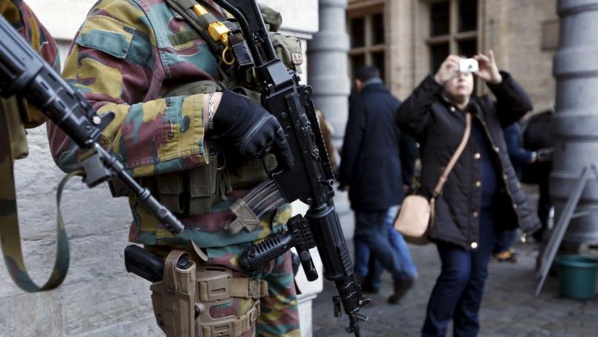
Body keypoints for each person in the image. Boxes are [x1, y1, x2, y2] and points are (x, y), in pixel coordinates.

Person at [47, 0, 300, 336]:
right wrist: (210, 112)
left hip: (274, 246)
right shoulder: (130, 12)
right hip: (208, 267)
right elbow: (73, 138)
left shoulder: (237, 10)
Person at [396, 51, 540, 336]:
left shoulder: (488, 108)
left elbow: (523, 106)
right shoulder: (432, 112)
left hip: (487, 214)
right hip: (449, 211)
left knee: (476, 279)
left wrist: (497, 79)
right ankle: (433, 332)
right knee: (456, 273)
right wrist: (436, 80)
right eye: (455, 72)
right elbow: (404, 118)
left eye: (467, 72)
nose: (461, 77)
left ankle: (466, 332)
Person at [338, 65, 417, 304]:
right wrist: (406, 177)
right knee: (379, 231)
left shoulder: (361, 103)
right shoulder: (395, 103)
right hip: (392, 180)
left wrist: (344, 178)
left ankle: (403, 274)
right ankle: (373, 281)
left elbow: (351, 145)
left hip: (369, 181)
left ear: (359, 83)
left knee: (366, 232)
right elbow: (410, 145)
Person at [492, 121, 536, 263]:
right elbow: (512, 152)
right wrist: (530, 156)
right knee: (512, 212)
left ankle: (502, 247)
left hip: (505, 176)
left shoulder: (506, 125)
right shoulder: (511, 126)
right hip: (510, 176)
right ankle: (502, 249)